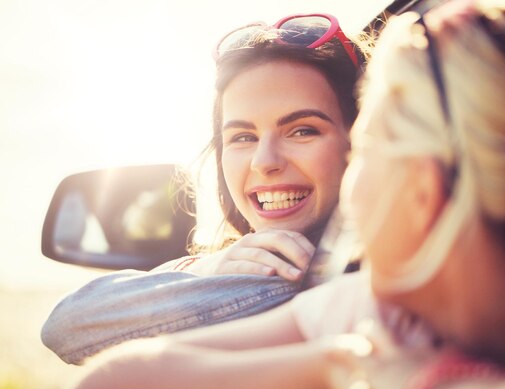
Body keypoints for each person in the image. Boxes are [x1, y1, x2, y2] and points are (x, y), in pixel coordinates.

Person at [42, 0, 505, 389]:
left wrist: (419, 384)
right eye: (240, 137)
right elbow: (89, 352)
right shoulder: (375, 309)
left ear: (420, 193)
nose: (265, 161)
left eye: (364, 145)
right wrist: (345, 364)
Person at [41, 13, 369, 365]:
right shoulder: (235, 266)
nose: (263, 161)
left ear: (363, 138)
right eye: (243, 136)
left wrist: (210, 271)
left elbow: (69, 326)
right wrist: (211, 266)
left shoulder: (323, 281)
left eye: (302, 130)